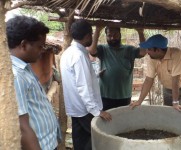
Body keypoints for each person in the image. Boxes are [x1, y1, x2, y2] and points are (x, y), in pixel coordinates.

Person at [7, 15, 61, 150]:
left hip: (47, 143)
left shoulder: (25, 68)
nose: (43, 50)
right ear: (24, 45)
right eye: (40, 46)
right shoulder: (16, 76)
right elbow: (22, 127)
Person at [60, 20, 112, 150]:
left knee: (79, 140)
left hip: (75, 107)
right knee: (93, 140)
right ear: (88, 35)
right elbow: (83, 87)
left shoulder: (68, 52)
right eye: (92, 34)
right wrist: (97, 111)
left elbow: (76, 80)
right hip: (85, 109)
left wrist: (95, 75)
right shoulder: (79, 56)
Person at [87, 26, 146, 110]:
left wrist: (140, 32)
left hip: (124, 95)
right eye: (109, 35)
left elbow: (143, 52)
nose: (112, 38)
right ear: (106, 36)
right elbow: (91, 51)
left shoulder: (129, 49)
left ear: (120, 34)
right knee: (106, 120)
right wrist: (97, 30)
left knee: (121, 120)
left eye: (115, 34)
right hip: (105, 95)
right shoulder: (103, 49)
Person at [130, 34, 181, 111]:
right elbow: (149, 79)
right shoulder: (151, 58)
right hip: (167, 89)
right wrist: (139, 101)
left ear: (158, 50)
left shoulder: (177, 54)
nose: (147, 51)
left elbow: (175, 80)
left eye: (149, 49)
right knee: (167, 115)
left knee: (180, 115)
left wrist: (175, 102)